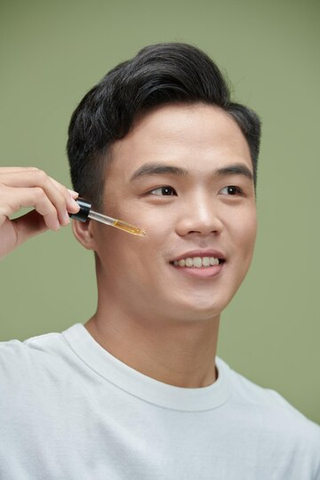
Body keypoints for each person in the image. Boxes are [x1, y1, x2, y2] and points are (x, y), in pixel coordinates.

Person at [0, 43, 319, 480]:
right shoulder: (11, 394)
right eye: (163, 190)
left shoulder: (296, 451)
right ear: (85, 222)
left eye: (231, 190)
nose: (205, 221)